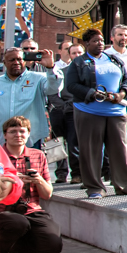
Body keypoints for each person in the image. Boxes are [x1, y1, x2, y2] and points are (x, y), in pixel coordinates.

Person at [65, 29, 127, 199]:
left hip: (116, 111)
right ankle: (95, 187)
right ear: (86, 44)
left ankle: (124, 184)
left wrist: (122, 93)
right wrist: (92, 93)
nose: (99, 43)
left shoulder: (114, 59)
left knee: (119, 148)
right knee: (91, 149)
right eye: (94, 41)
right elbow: (71, 86)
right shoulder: (78, 63)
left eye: (101, 40)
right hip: (89, 111)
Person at [0, 116, 63, 253]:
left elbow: (47, 195)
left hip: (30, 209)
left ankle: (12, 244)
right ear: (4, 135)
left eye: (22, 131)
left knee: (53, 245)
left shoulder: (38, 155)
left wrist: (39, 181)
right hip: (1, 211)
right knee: (17, 223)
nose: (18, 135)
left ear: (29, 133)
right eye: (12, 132)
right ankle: (0, 249)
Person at [0, 47, 59, 147]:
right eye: (12, 60)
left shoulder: (39, 78)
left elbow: (54, 88)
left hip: (31, 139)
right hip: (0, 140)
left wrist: (50, 69)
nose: (16, 62)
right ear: (4, 62)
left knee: (31, 163)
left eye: (19, 59)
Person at [54, 43, 84, 184]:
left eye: (79, 52)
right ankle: (66, 173)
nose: (77, 56)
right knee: (63, 143)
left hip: (82, 111)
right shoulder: (63, 72)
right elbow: (54, 93)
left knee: (75, 144)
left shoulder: (91, 71)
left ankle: (78, 173)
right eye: (74, 53)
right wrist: (65, 105)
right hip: (64, 111)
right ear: (69, 55)